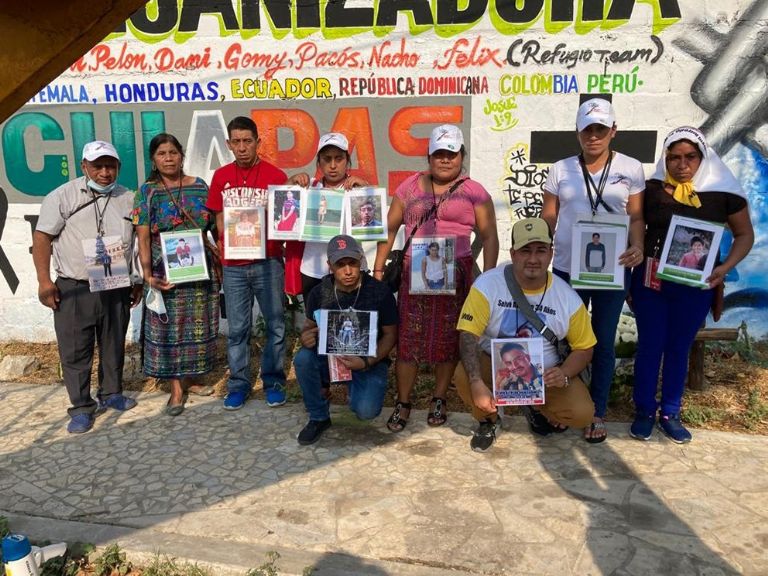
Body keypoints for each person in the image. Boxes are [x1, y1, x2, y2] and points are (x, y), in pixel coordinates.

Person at [629, 126, 753, 443]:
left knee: (678, 348)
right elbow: (636, 221)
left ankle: (670, 411)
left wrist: (725, 268)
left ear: (702, 157)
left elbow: (744, 234)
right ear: (665, 159)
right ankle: (644, 410)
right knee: (650, 346)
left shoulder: (723, 191)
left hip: (696, 285)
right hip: (651, 282)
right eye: (674, 157)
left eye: (690, 157)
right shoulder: (653, 187)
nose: (682, 164)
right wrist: (639, 248)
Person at [374, 124, 499, 430]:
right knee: (408, 342)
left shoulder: (475, 192)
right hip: (413, 277)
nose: (445, 160)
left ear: (461, 156)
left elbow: (490, 236)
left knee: (448, 341)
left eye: (452, 154)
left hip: (456, 277)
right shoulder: (409, 188)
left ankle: (439, 398)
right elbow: (389, 229)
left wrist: (490, 279)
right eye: (439, 153)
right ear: (429, 155)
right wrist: (378, 270)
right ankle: (403, 402)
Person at [541, 98, 646, 444]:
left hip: (611, 270)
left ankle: (596, 410)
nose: (594, 136)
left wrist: (638, 246)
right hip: (569, 267)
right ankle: (564, 405)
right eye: (588, 129)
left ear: (613, 131)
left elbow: (635, 217)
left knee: (601, 341)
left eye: (601, 129)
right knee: (564, 338)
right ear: (578, 132)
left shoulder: (630, 168)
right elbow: (550, 214)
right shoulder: (560, 169)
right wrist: (544, 244)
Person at [455, 218, 597, 452]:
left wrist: (563, 373)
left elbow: (585, 347)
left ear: (551, 254)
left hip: (544, 375)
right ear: (512, 254)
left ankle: (535, 406)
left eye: (540, 251)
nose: (533, 259)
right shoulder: (487, 285)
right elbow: (468, 334)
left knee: (581, 413)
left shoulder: (566, 297)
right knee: (464, 375)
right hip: (495, 366)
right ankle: (489, 420)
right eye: (525, 251)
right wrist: (476, 381)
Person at [32, 140, 141, 434]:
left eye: (111, 166)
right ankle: (81, 406)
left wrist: (137, 279)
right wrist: (44, 282)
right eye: (98, 166)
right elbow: (42, 238)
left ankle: (112, 393)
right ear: (84, 166)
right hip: (75, 287)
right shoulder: (62, 197)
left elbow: (139, 242)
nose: (105, 172)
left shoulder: (128, 198)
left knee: (113, 342)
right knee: (76, 349)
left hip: (116, 284)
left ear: (118, 167)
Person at [206, 116, 298, 410]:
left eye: (248, 141)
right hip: (233, 264)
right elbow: (219, 221)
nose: (243, 147)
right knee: (237, 328)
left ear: (258, 142)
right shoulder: (221, 177)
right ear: (229, 144)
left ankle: (273, 381)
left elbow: (287, 219)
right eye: (237, 142)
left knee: (275, 324)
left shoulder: (276, 175)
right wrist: (227, 245)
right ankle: (239, 384)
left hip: (268, 261)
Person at [132, 133, 219, 416]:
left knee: (196, 325)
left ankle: (191, 379)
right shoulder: (147, 192)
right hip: (163, 270)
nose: (168, 158)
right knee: (168, 329)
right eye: (161, 154)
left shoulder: (201, 188)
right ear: (154, 160)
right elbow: (142, 237)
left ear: (181, 155)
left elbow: (214, 228)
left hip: (198, 270)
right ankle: (176, 390)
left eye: (173, 152)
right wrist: (146, 274)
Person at [293, 235, 398, 445]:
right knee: (303, 359)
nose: (348, 270)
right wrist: (306, 337)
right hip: (329, 358)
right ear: (329, 266)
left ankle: (354, 388)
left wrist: (367, 361)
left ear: (361, 261)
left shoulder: (379, 292)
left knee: (365, 411)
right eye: (340, 265)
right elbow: (309, 327)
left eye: (352, 263)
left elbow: (390, 335)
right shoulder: (319, 292)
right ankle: (318, 417)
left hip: (367, 361)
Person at [289, 132, 368, 304]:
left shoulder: (357, 189)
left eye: (338, 158)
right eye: (327, 159)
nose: (333, 165)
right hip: (313, 270)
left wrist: (367, 190)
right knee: (315, 322)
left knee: (351, 321)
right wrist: (292, 180)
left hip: (350, 270)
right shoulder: (308, 186)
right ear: (319, 162)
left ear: (347, 161)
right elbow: (277, 202)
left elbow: (372, 223)